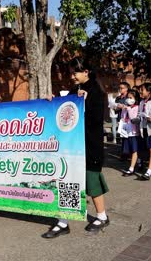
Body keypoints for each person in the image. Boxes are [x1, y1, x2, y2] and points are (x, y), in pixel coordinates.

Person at [42, 57, 109, 238]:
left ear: (85, 71)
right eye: (70, 73)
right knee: (67, 180)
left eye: (75, 73)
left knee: (91, 180)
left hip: (90, 144)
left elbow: (97, 119)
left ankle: (102, 216)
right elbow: (65, 110)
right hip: (72, 145)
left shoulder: (96, 90)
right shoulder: (74, 90)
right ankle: (64, 221)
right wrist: (52, 101)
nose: (72, 76)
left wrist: (85, 103)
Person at [119, 89, 141, 176]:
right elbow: (122, 117)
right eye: (128, 97)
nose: (128, 99)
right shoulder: (125, 108)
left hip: (134, 132)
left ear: (135, 98)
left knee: (134, 150)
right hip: (126, 132)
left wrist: (127, 109)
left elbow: (133, 118)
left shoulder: (136, 107)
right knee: (129, 150)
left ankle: (131, 168)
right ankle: (138, 162)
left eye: (131, 97)